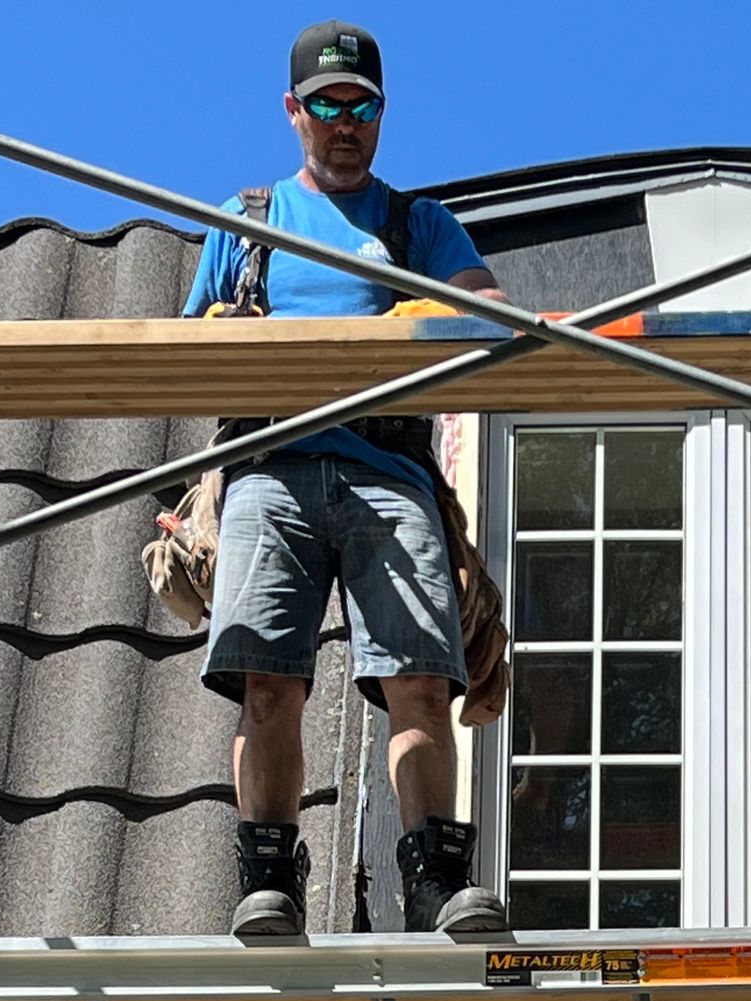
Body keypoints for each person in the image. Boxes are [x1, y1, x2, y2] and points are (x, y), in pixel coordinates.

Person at [184, 20, 510, 941]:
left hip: (387, 474)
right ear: (293, 113)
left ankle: (437, 888)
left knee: (419, 683)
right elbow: (184, 350)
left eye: (360, 107)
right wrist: (224, 329)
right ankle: (269, 884)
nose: (343, 124)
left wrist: (433, 303)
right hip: (272, 469)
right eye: (325, 106)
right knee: (268, 686)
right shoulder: (247, 223)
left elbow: (492, 315)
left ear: (381, 115)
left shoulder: (417, 226)